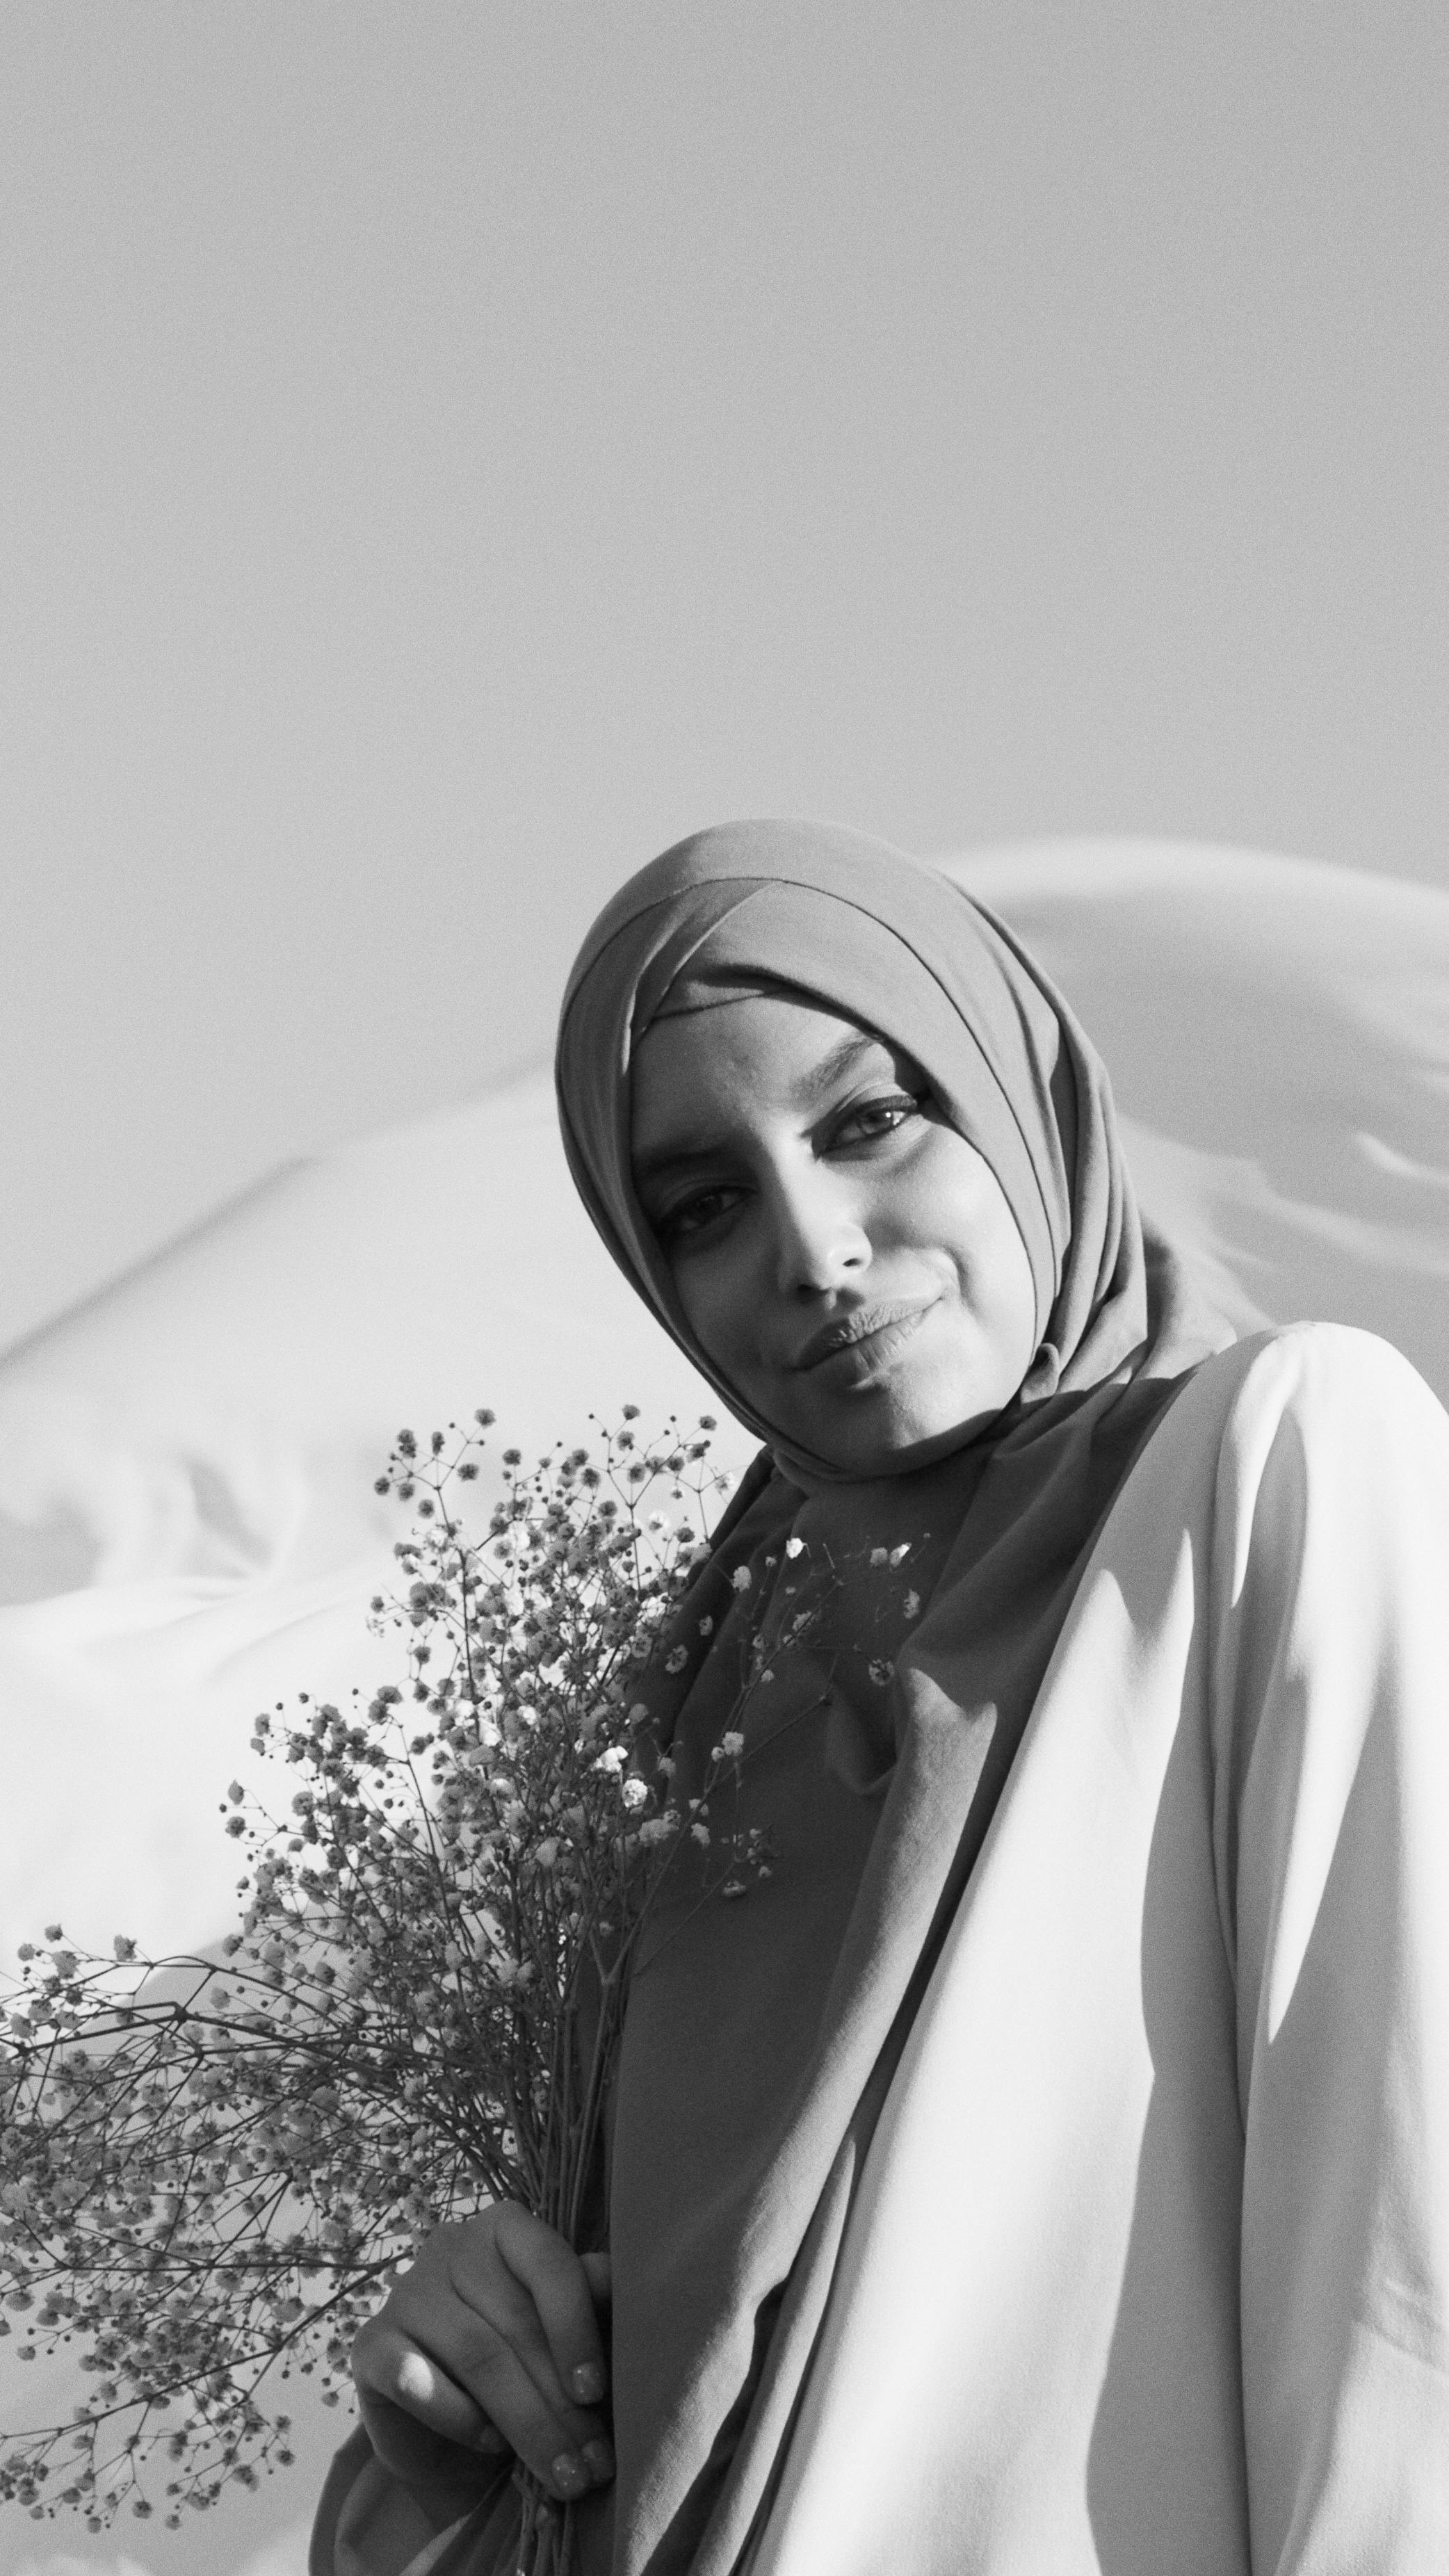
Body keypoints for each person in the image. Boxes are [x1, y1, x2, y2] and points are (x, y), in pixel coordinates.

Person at [313, 821, 1449, 2576]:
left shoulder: (1274, 1471)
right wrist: (448, 2418)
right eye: (704, 1206)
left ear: (1017, 1099)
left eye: (867, 1121)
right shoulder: (665, 1737)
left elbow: (1402, 2279)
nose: (814, 1250)